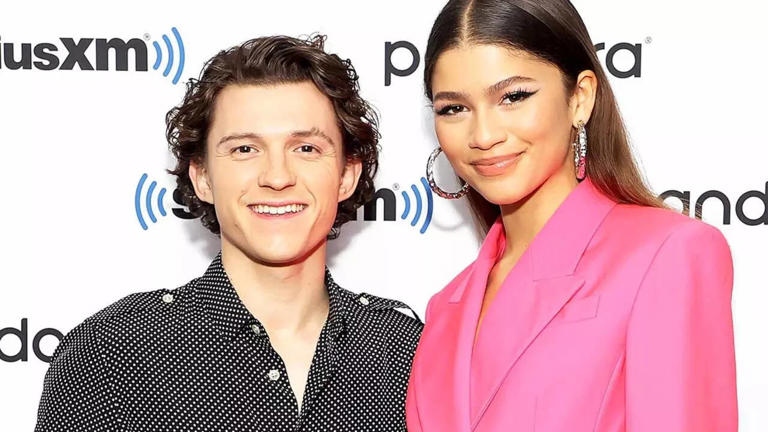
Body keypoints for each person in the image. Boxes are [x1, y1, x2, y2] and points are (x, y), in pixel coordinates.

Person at [35, 34, 422, 432]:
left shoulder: (408, 351)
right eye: (244, 149)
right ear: (202, 177)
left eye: (306, 148)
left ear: (346, 176)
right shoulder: (111, 353)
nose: (277, 177)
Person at [405, 1, 737, 431]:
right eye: (454, 108)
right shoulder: (446, 308)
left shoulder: (667, 254)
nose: (483, 135)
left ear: (580, 98)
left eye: (513, 97)